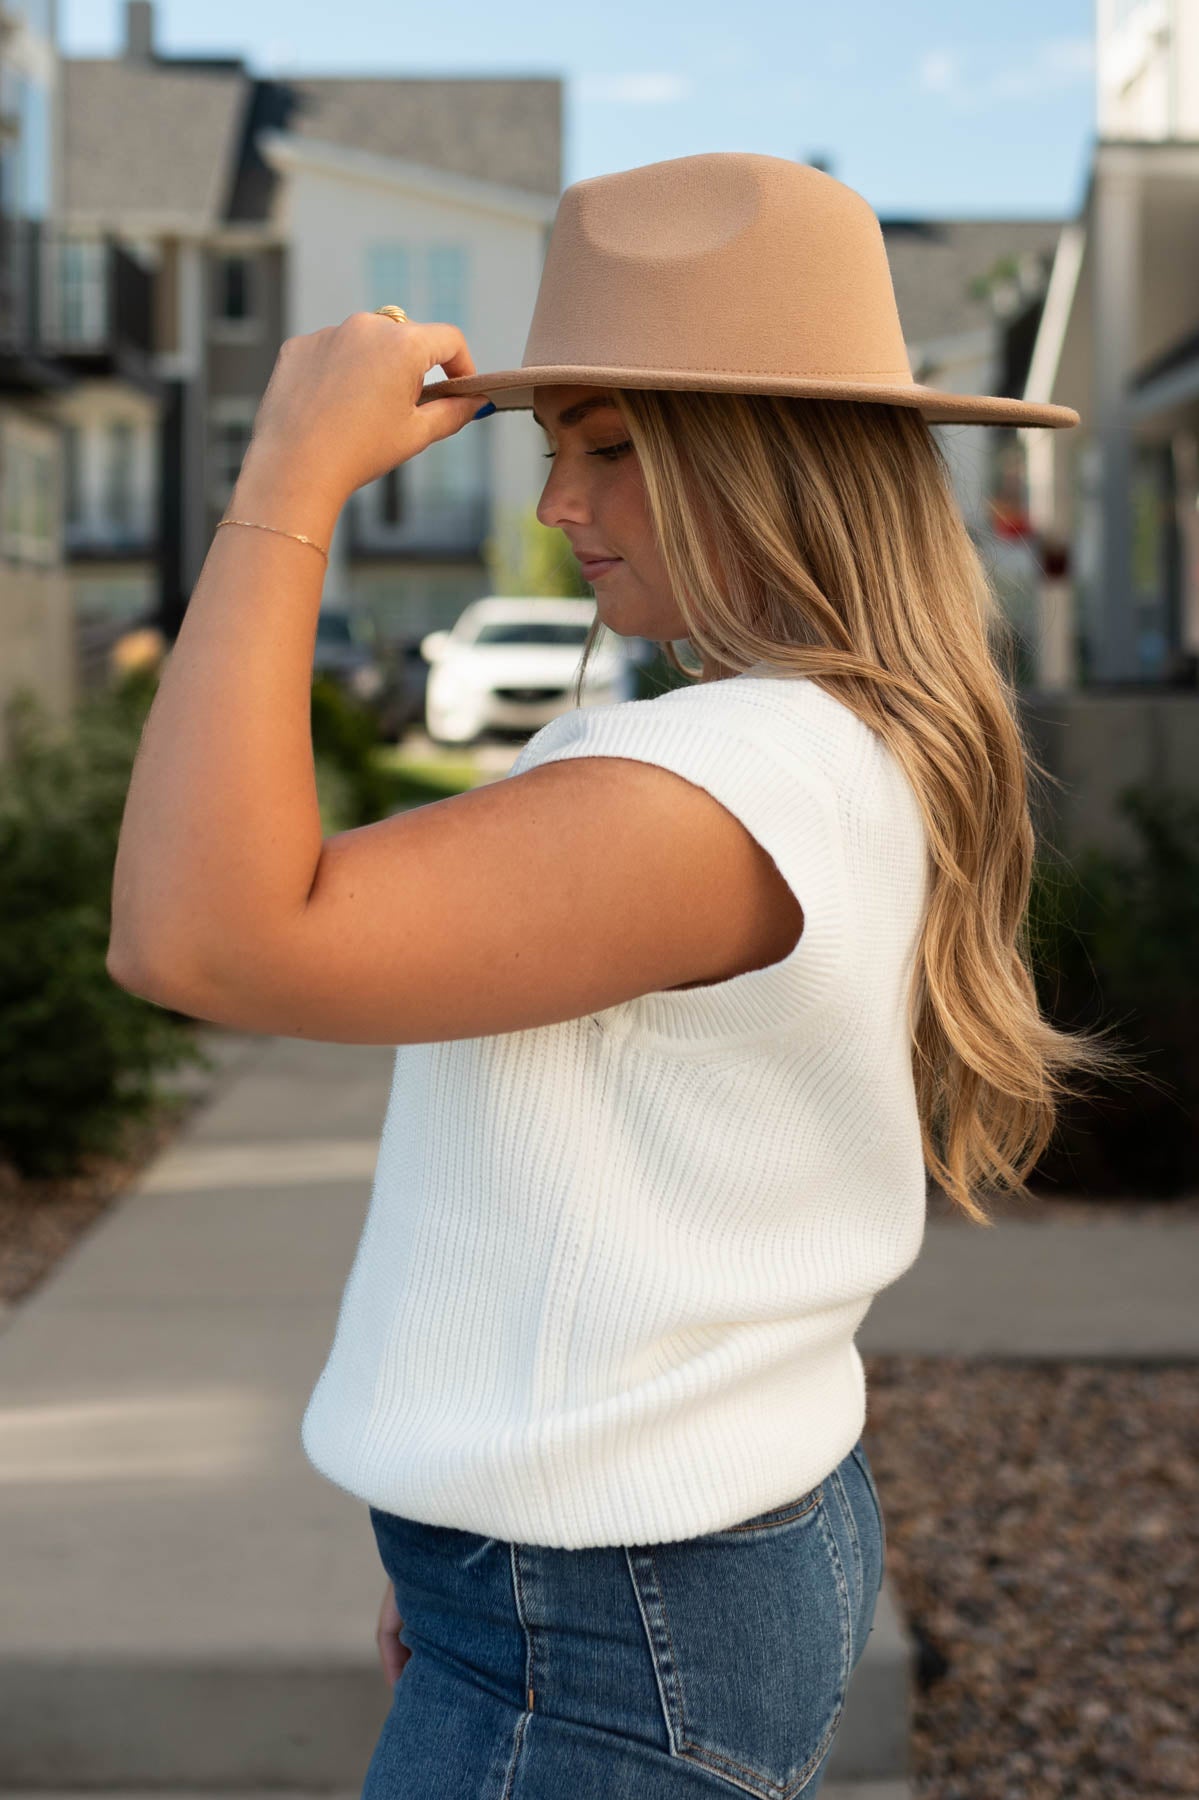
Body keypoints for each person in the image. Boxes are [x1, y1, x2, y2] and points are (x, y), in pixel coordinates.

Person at [110, 150, 1122, 1799]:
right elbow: (619, 1184)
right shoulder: (814, 745)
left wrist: (287, 480)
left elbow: (197, 934)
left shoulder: (721, 784)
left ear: (775, 459)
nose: (555, 506)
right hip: (621, 1572)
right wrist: (473, 1532)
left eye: (615, 445)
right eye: (554, 441)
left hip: (613, 1614)